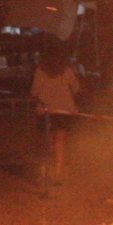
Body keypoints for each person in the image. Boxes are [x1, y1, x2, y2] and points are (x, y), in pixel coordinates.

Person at [30, 39, 83, 184]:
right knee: (60, 144)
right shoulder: (67, 70)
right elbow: (77, 89)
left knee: (48, 144)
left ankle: (46, 173)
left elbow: (34, 93)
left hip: (46, 112)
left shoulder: (40, 71)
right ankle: (57, 176)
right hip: (63, 112)